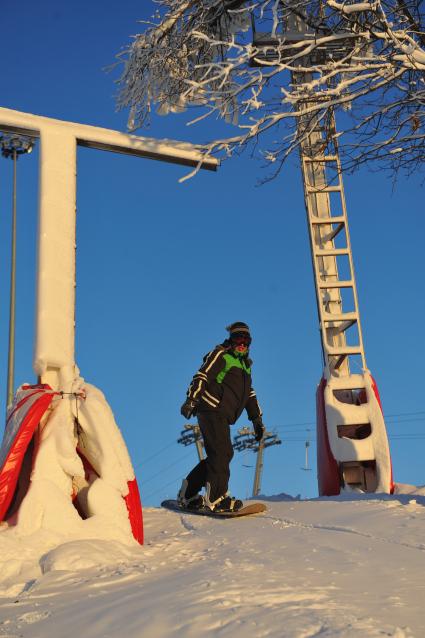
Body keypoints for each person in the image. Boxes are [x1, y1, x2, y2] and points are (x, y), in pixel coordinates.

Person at [178, 322, 265, 512]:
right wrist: (191, 400)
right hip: (210, 408)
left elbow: (249, 394)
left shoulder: (245, 365)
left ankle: (188, 493)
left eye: (246, 340)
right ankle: (216, 498)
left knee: (221, 454)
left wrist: (257, 420)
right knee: (222, 453)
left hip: (222, 414)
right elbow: (202, 376)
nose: (242, 343)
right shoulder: (221, 354)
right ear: (231, 340)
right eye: (238, 338)